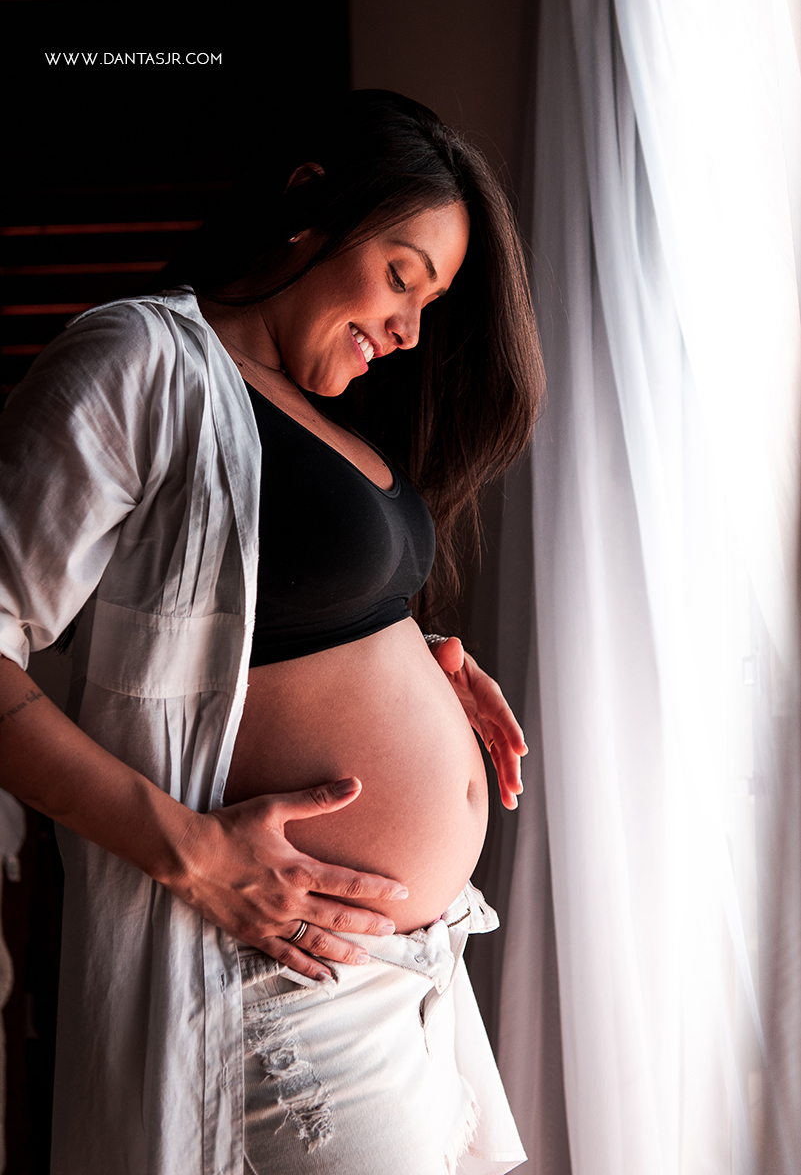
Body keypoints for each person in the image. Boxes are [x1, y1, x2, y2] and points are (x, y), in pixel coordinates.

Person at [0, 90, 543, 1173]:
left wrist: (423, 659)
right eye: (401, 275)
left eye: (431, 302)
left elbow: (264, 622)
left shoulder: (319, 412)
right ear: (308, 203)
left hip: (410, 972)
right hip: (274, 974)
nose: (411, 329)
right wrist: (195, 854)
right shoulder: (139, 358)